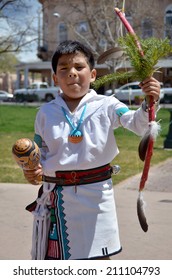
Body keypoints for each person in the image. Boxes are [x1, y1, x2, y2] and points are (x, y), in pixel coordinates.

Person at [23, 40, 160, 260]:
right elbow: (40, 149)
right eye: (64, 69)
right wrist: (33, 167)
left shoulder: (108, 105)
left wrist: (149, 102)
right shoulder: (45, 112)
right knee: (57, 262)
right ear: (55, 78)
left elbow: (138, 124)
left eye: (79, 67)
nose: (72, 73)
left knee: (98, 260)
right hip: (57, 198)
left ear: (93, 74)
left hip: (97, 198)